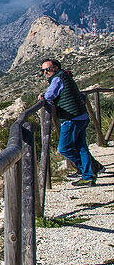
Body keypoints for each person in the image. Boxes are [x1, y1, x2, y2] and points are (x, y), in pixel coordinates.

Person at [40, 58, 101, 186]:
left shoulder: (58, 78)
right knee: (82, 147)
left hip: (71, 118)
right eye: (43, 70)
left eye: (48, 69)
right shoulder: (65, 76)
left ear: (56, 68)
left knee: (64, 148)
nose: (45, 72)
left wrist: (43, 97)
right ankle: (89, 174)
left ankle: (89, 169)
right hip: (81, 116)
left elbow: (50, 95)